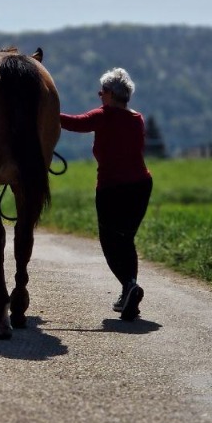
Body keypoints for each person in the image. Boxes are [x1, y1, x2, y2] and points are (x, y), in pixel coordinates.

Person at [60, 67, 153, 321]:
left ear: (111, 94)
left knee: (109, 242)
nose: (99, 95)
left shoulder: (103, 115)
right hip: (140, 186)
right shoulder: (137, 118)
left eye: (102, 91)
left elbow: (74, 123)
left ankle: (130, 286)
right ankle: (128, 290)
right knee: (126, 240)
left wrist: (46, 112)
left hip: (112, 189)